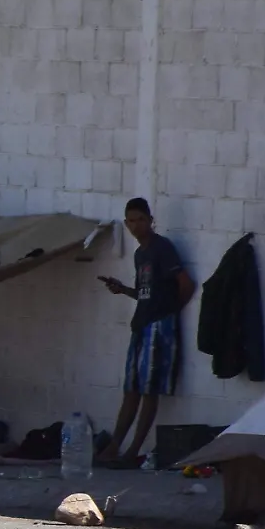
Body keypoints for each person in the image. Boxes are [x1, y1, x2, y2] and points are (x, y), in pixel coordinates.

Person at [98, 197, 194, 466]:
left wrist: (169, 312)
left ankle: (132, 452)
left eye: (141, 219)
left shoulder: (162, 248)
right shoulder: (140, 254)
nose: (137, 225)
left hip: (158, 326)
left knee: (149, 390)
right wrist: (123, 289)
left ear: (150, 220)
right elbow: (145, 293)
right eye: (132, 220)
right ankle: (114, 447)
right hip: (141, 325)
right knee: (132, 389)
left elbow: (186, 284)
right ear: (126, 224)